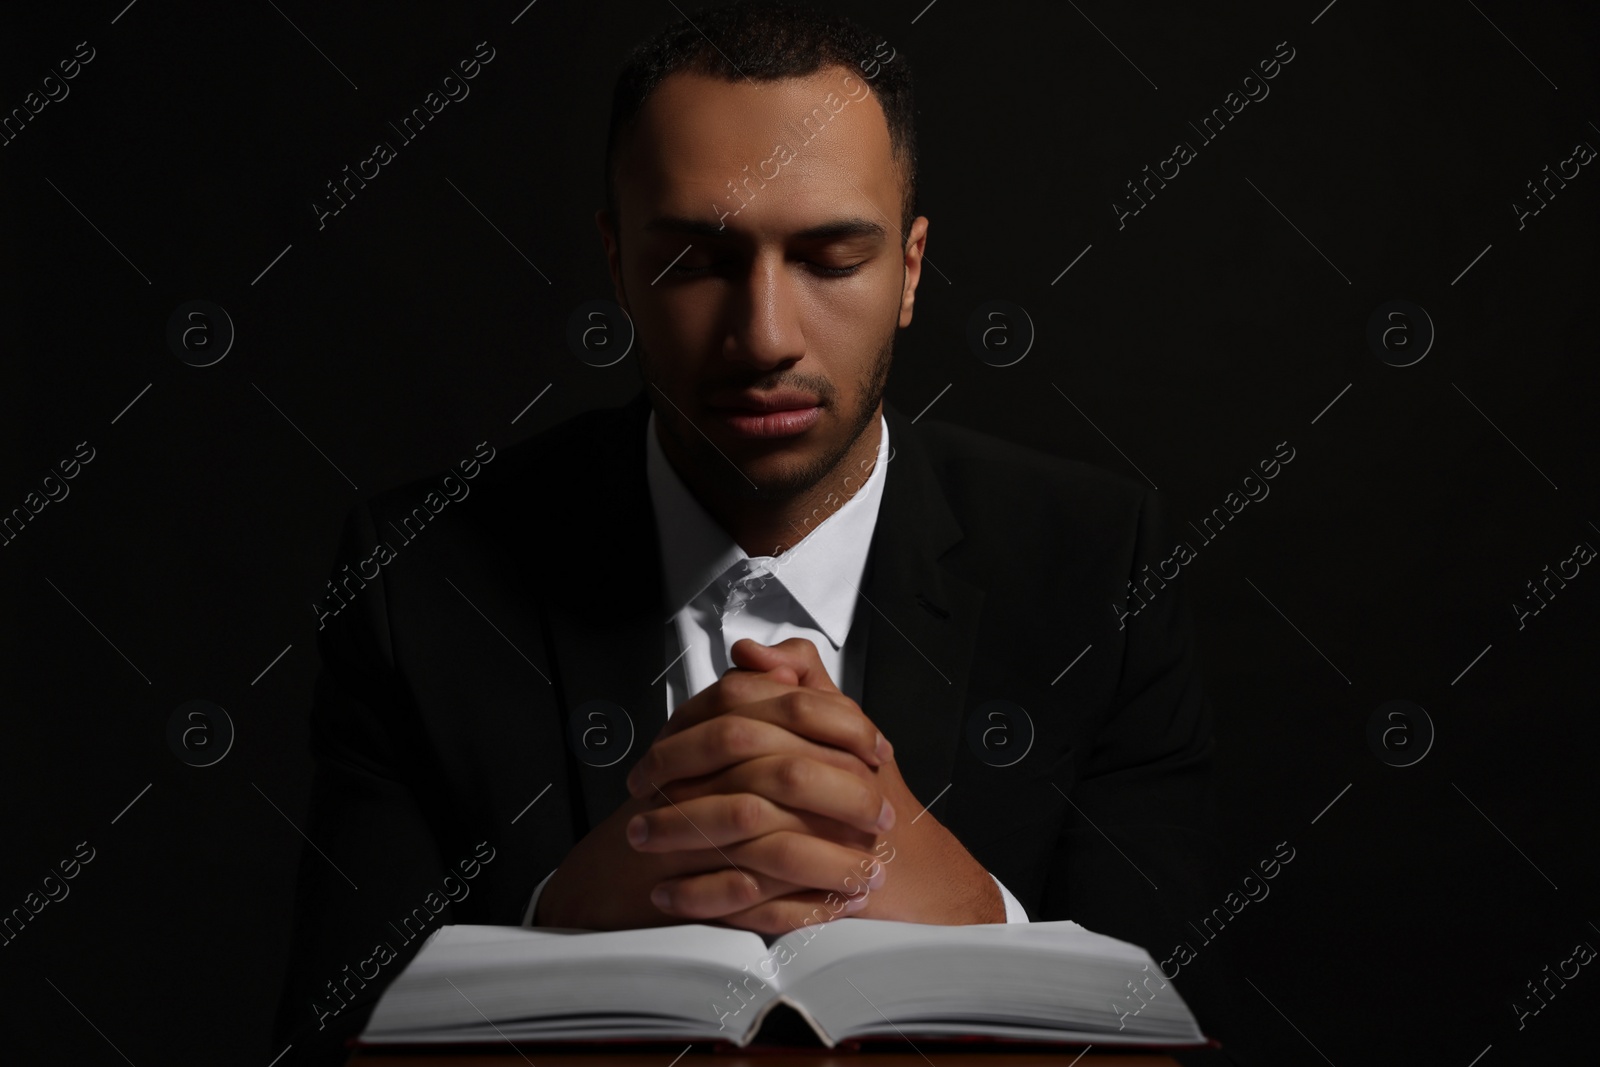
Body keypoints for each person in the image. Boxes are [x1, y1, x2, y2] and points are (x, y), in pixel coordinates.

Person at [272, 3, 1244, 1063]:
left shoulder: (1101, 560)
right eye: (695, 263)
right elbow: (327, 1042)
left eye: (831, 259)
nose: (765, 336)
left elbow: (1185, 1033)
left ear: (911, 271)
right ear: (617, 262)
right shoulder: (420, 578)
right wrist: (562, 922)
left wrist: (974, 914)